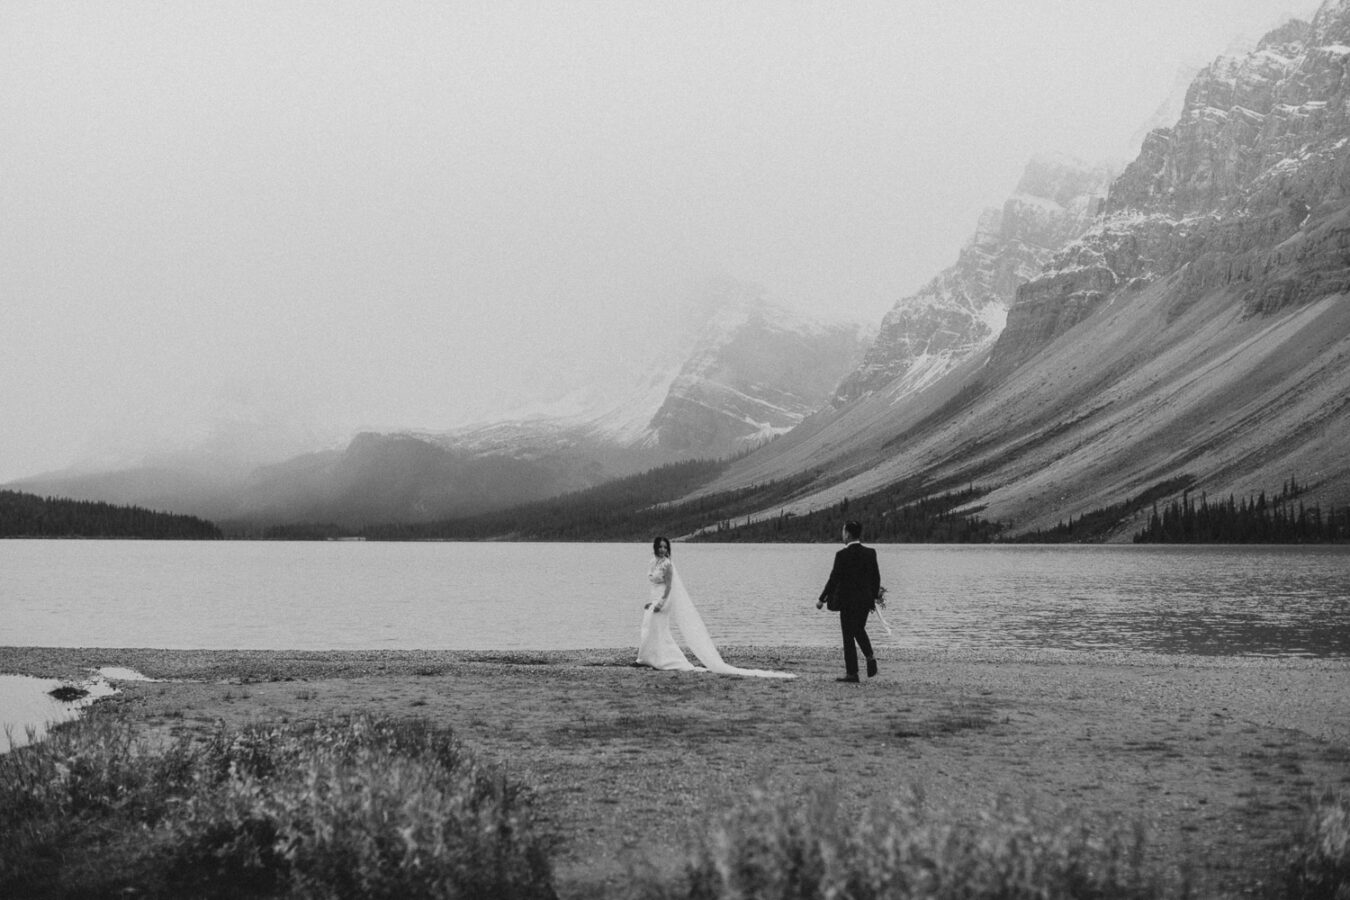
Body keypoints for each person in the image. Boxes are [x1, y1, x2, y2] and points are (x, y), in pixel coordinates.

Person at [636, 536, 794, 679]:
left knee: (659, 628)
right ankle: (650, 657)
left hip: (665, 599)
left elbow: (669, 587)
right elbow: (655, 585)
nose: (662, 549)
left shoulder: (667, 565)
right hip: (656, 598)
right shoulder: (654, 562)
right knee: (650, 626)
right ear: (655, 547)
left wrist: (661, 602)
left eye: (665, 547)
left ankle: (667, 659)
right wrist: (652, 601)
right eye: (660, 547)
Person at [816, 520, 881, 682]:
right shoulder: (870, 553)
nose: (842, 534)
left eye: (843, 531)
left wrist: (821, 599)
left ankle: (852, 673)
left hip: (847, 601)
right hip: (865, 601)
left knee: (848, 635)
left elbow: (833, 579)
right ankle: (869, 656)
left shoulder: (842, 555)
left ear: (848, 534)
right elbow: (876, 578)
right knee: (858, 629)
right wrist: (872, 598)